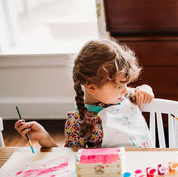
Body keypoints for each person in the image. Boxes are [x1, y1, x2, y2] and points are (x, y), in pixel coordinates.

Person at [15, 38, 154, 148]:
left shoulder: (124, 96)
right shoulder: (78, 121)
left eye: (126, 84)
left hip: (148, 167)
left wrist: (146, 88)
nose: (125, 90)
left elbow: (140, 91)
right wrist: (44, 137)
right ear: (91, 88)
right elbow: (70, 159)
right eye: (118, 86)